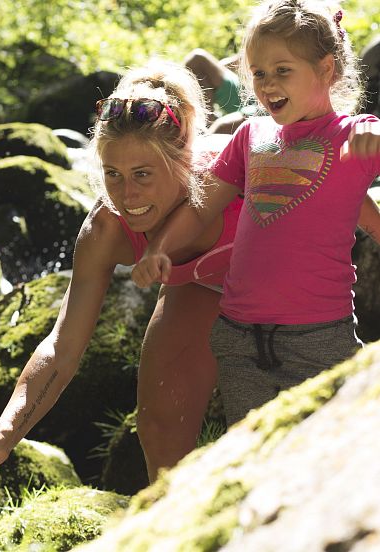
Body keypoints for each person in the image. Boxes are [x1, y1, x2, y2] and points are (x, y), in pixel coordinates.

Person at [0, 60, 244, 484]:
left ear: (182, 160)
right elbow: (62, 347)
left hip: (272, 270)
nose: (127, 194)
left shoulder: (232, 175)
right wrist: (5, 433)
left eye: (142, 174)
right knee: (157, 423)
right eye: (113, 175)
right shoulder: (106, 229)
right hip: (201, 286)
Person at [132, 0, 380, 427]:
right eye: (259, 73)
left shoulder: (349, 134)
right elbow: (201, 207)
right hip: (239, 336)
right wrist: (160, 247)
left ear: (325, 69)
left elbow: (370, 135)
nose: (267, 85)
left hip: (318, 335)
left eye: (283, 71)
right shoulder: (250, 135)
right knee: (252, 454)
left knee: (329, 451)